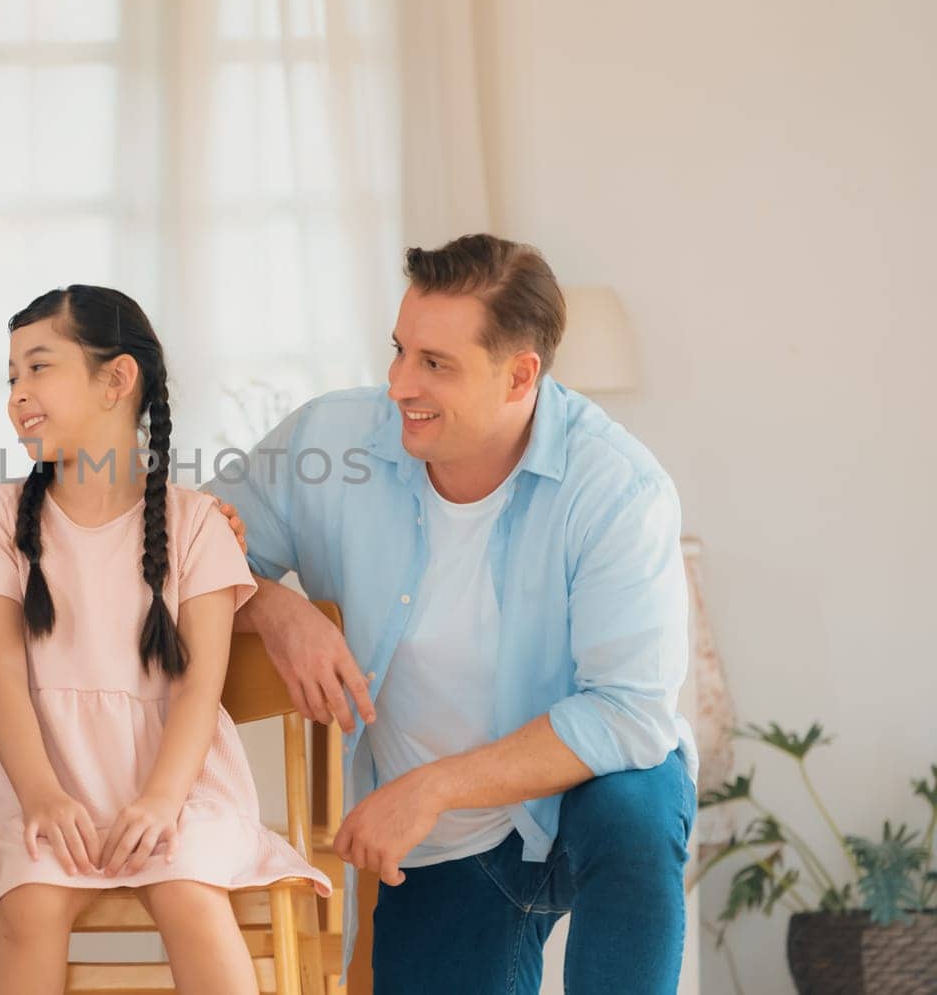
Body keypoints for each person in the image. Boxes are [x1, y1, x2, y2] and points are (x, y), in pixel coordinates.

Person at [206, 235, 698, 994]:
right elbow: (177, 546)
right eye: (400, 350)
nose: (401, 383)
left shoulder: (617, 488)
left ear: (519, 375)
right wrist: (271, 604)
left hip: (579, 807)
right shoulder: (331, 442)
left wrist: (434, 785)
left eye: (436, 364)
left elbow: (630, 711)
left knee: (638, 798)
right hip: (441, 850)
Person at [0, 285, 330, 995]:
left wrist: (159, 801)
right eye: (10, 376)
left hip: (181, 788)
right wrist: (40, 796)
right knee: (27, 907)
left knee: (188, 892)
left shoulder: (197, 524)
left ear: (117, 379)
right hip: (50, 783)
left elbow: (198, 686)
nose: (17, 393)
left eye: (38, 368)